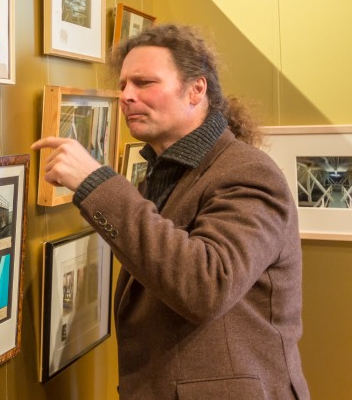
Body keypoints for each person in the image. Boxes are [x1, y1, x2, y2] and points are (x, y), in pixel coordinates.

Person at [32, 23, 309, 399]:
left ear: (197, 89)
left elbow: (205, 286)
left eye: (144, 83)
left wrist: (96, 183)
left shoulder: (249, 173)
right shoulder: (166, 173)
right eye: (124, 84)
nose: (126, 96)